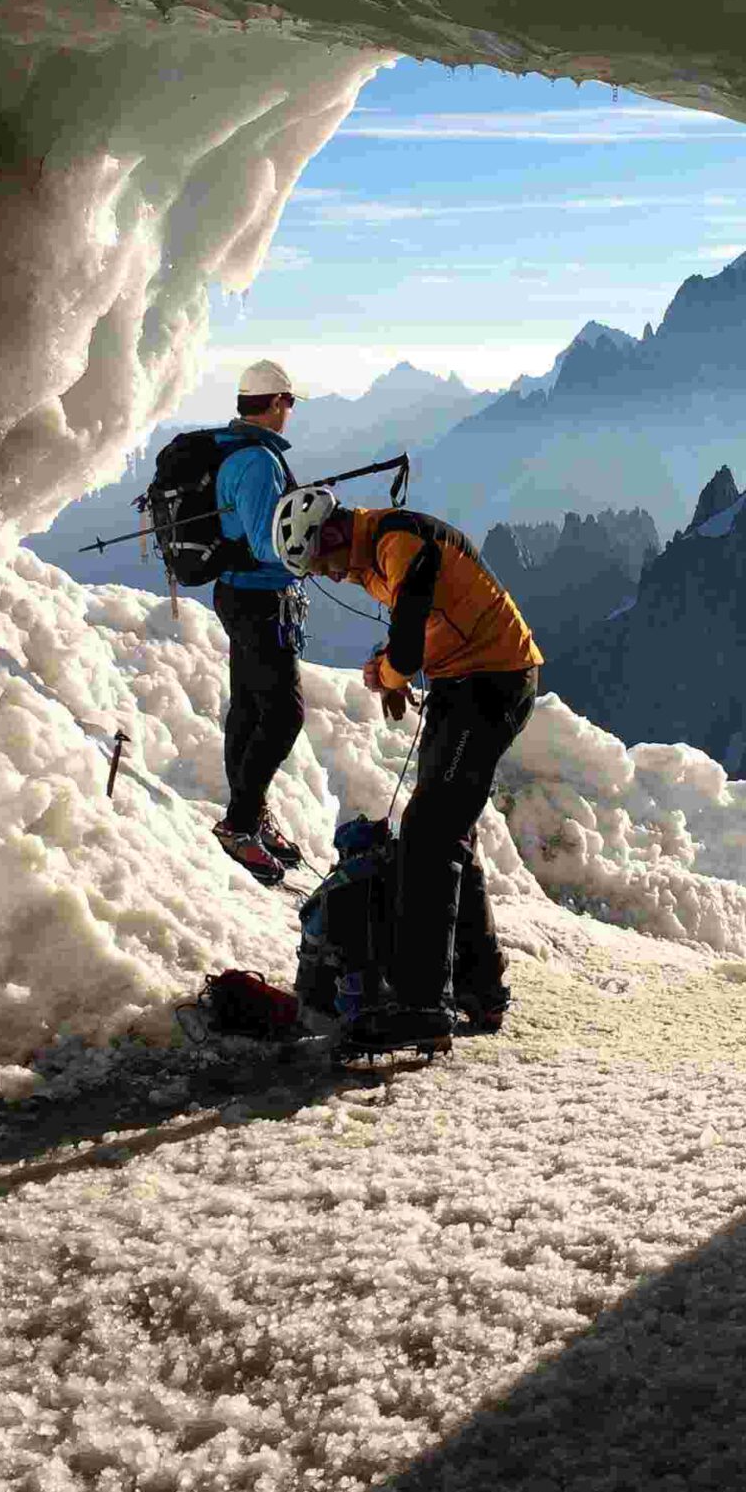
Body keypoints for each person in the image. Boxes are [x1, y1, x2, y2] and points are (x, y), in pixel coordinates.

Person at [274, 486, 542, 1051]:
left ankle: (422, 1005)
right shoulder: (378, 550)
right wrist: (388, 668)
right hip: (468, 682)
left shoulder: (400, 544)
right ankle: (479, 988)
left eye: (320, 563)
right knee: (446, 833)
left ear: (331, 533)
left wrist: (392, 673)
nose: (328, 576)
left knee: (428, 834)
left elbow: (409, 641)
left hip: (489, 684)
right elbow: (412, 631)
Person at [209, 359, 311, 887]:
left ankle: (248, 814)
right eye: (289, 402)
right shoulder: (256, 462)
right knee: (284, 714)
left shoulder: (239, 453)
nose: (290, 412)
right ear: (274, 404)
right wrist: (308, 546)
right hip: (258, 599)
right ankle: (241, 823)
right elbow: (264, 540)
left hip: (240, 595)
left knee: (250, 706)